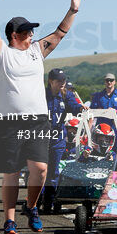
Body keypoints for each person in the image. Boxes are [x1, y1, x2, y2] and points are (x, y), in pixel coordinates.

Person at [0, 0, 82, 234]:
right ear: (14, 35)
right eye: (26, 32)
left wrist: (72, 10)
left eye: (31, 32)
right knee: (12, 172)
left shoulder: (37, 51)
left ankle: (31, 207)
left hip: (37, 120)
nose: (31, 35)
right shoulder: (1, 54)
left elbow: (60, 33)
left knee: (40, 169)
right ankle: (9, 220)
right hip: (7, 121)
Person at [41, 69, 84, 213]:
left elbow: (75, 106)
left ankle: (49, 202)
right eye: (59, 80)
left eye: (63, 80)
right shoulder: (40, 94)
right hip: (41, 138)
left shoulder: (67, 95)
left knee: (53, 172)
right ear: (50, 81)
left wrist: (81, 108)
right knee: (40, 171)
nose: (62, 83)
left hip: (57, 139)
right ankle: (35, 201)